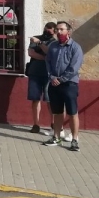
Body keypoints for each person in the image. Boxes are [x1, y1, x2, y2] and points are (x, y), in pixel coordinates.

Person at [43, 21, 84, 152]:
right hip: (54, 83)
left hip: (69, 84)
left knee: (72, 112)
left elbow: (74, 67)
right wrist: (52, 77)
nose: (59, 32)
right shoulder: (53, 46)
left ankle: (74, 140)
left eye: (61, 29)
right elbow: (48, 62)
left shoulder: (75, 47)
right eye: (57, 29)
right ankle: (56, 137)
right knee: (57, 112)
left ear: (68, 31)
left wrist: (61, 79)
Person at [26, 22, 57, 134]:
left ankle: (53, 123)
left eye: (50, 30)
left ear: (54, 31)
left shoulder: (55, 42)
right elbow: (31, 53)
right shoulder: (35, 38)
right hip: (35, 72)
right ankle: (36, 124)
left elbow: (50, 53)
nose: (47, 31)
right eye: (46, 28)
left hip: (49, 74)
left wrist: (41, 46)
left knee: (50, 100)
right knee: (35, 99)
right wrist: (46, 58)